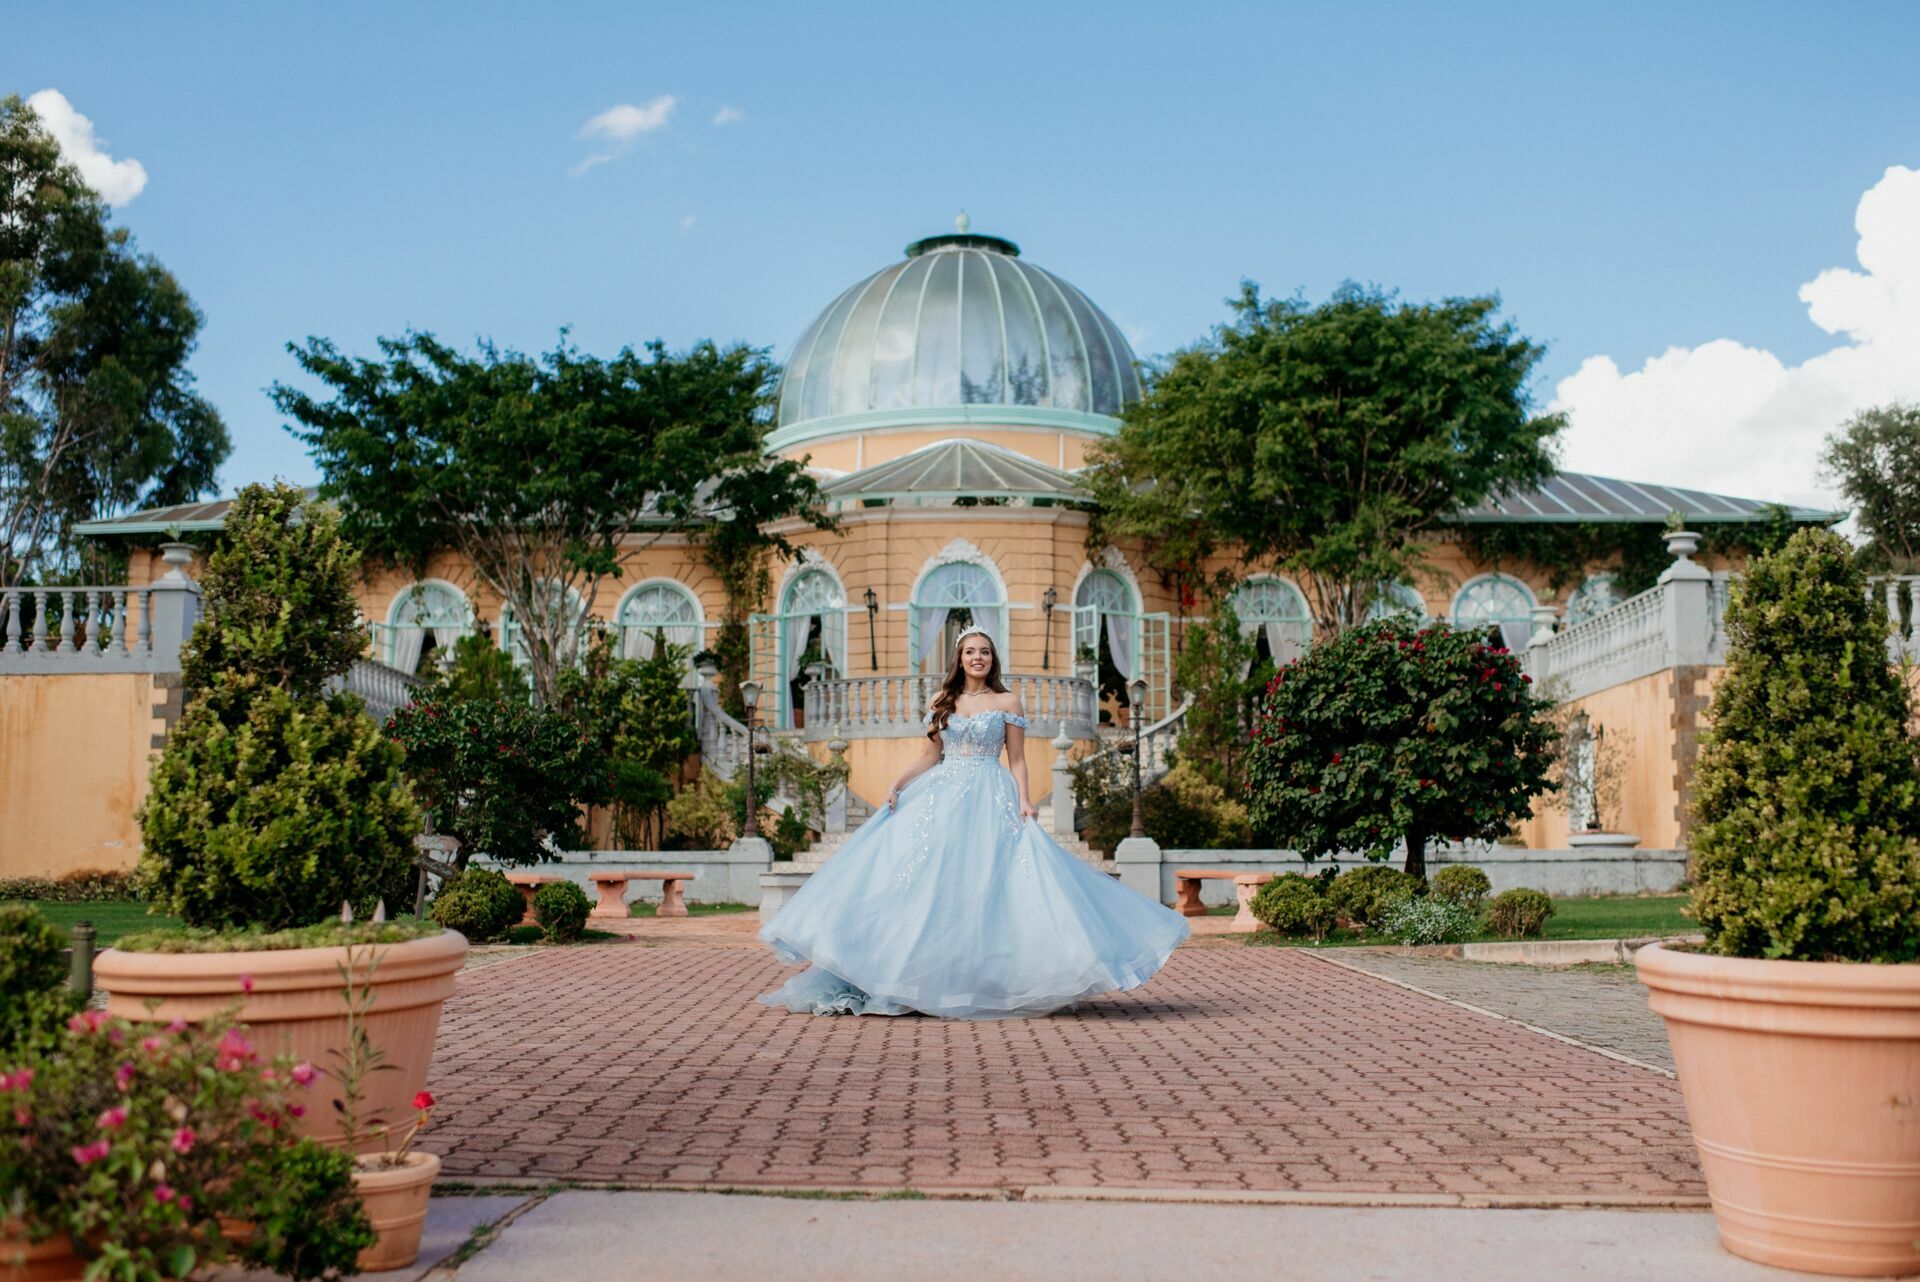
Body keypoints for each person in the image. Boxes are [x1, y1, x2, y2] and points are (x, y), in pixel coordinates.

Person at [758, 627, 1189, 1018]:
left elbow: (1017, 759)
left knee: (991, 887)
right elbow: (930, 755)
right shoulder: (942, 701)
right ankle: (907, 975)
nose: (978, 658)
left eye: (984, 652)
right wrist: (896, 783)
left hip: (991, 793)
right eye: (970, 652)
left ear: (992, 658)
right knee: (922, 882)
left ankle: (986, 979)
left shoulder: (1008, 702)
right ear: (959, 659)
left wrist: (1023, 799)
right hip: (941, 794)